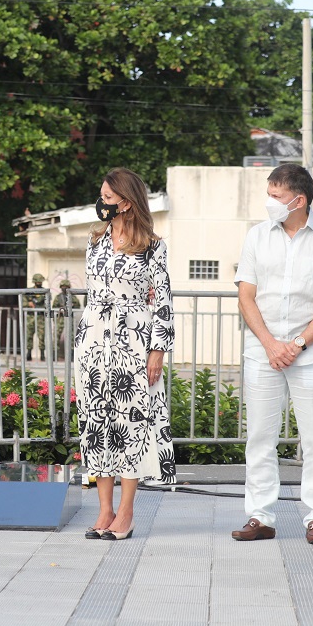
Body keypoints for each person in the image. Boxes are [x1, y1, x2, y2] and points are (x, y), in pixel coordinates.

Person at [232, 163, 313, 545]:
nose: (270, 202)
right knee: (260, 437)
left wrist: (296, 345)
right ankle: (260, 517)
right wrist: (270, 343)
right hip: (262, 351)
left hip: (311, 355)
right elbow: (246, 296)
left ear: (299, 200)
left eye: (276, 196)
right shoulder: (256, 237)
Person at [74, 168, 175, 541]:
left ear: (127, 203)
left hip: (135, 341)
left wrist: (158, 350)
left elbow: (163, 302)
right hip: (93, 341)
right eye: (100, 195)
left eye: (108, 197)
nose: (101, 203)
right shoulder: (95, 240)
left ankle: (127, 511)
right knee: (96, 423)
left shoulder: (153, 246)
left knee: (131, 423)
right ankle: (104, 509)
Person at [53, 277, 80, 361]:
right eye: (63, 286)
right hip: (60, 318)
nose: (64, 288)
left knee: (71, 336)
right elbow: (54, 307)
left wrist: (72, 306)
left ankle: (71, 355)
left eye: (66, 286)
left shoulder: (73, 297)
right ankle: (55, 355)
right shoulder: (58, 297)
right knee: (56, 335)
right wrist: (59, 310)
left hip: (69, 318)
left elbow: (77, 306)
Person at [24, 273, 47, 361]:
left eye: (40, 281)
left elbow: (47, 303)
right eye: (37, 281)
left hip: (40, 317)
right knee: (29, 335)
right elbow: (23, 302)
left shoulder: (45, 292)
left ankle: (42, 354)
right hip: (31, 316)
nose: (39, 283)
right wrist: (28, 304)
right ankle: (29, 353)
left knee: (41, 336)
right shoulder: (29, 292)